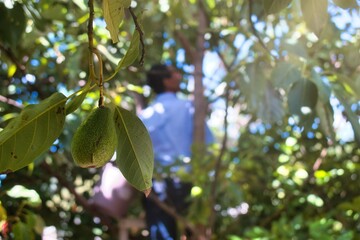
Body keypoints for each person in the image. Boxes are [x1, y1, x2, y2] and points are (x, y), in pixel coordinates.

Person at [139, 64, 214, 240]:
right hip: (186, 182)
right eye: (175, 73)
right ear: (166, 80)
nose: (180, 76)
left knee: (161, 233)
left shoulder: (147, 115)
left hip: (156, 184)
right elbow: (208, 143)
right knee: (193, 231)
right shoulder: (188, 109)